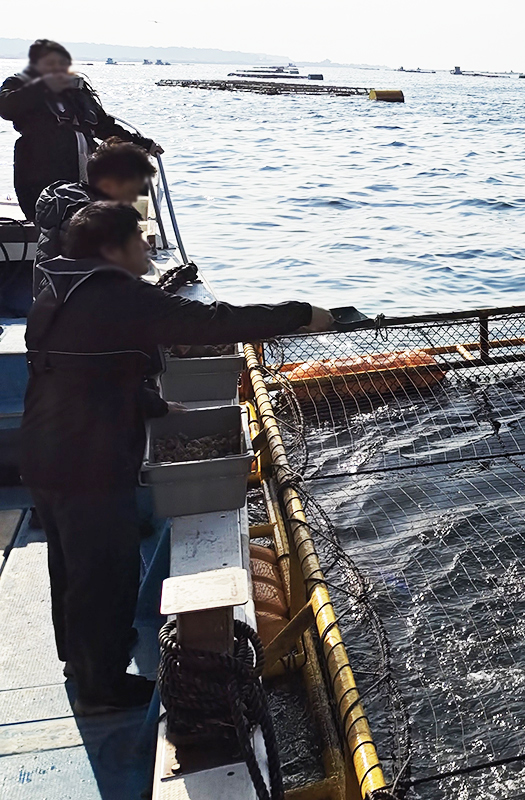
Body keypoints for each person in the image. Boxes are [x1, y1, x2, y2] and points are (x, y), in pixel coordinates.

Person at [23, 201, 332, 714]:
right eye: (138, 239)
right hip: (88, 462)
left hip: (45, 453)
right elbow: (211, 321)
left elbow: (77, 373)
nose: (148, 246)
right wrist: (300, 314)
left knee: (71, 565)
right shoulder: (116, 295)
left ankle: (81, 662)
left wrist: (156, 405)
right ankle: (103, 689)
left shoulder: (59, 286)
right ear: (111, 249)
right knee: (106, 569)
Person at [0, 39, 161, 221]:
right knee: (52, 213)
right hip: (40, 168)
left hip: (81, 165)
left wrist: (144, 144)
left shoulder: (76, 88)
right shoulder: (19, 84)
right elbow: (5, 107)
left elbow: (104, 126)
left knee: (87, 210)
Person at [0, 138, 158, 316]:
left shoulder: (64, 201)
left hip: (48, 307)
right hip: (71, 316)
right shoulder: (91, 222)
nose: (136, 194)